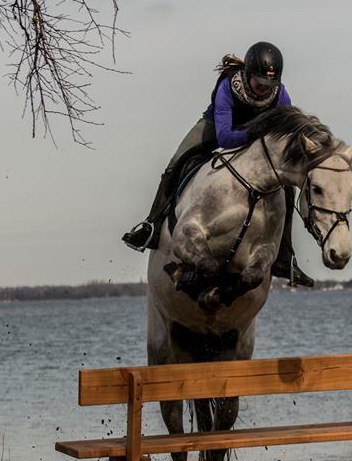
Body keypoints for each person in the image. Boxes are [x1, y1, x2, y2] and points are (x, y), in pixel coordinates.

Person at [121, 41, 314, 287]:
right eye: (259, 84)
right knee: (176, 162)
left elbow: (287, 135)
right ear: (247, 75)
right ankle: (152, 225)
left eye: (270, 86)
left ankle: (285, 257)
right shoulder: (228, 87)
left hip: (257, 140)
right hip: (219, 127)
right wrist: (258, 133)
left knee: (286, 184)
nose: (265, 90)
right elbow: (225, 138)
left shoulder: (280, 95)